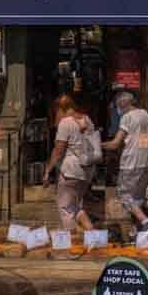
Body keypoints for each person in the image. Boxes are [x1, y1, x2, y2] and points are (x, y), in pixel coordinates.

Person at [43, 95, 101, 235]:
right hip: (86, 171)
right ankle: (93, 234)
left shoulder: (66, 123)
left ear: (61, 109)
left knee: (65, 208)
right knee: (74, 206)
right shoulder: (88, 120)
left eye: (56, 111)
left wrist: (47, 171)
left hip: (71, 171)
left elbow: (58, 150)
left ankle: (69, 246)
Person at [108, 85, 148, 235]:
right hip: (147, 162)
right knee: (137, 198)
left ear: (122, 105)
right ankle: (136, 231)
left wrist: (96, 144)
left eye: (118, 106)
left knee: (124, 194)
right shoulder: (146, 115)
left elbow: (115, 143)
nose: (117, 110)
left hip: (131, 162)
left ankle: (146, 221)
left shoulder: (127, 117)